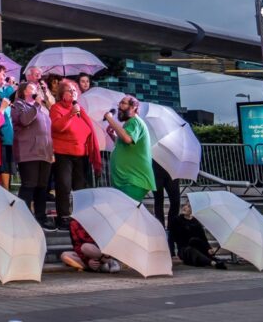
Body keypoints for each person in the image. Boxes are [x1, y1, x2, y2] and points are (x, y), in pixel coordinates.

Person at [49, 79, 103, 229]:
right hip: (63, 153)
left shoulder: (80, 110)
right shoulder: (56, 108)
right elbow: (57, 127)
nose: (73, 93)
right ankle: (64, 217)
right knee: (64, 186)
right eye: (70, 91)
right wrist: (71, 115)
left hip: (81, 154)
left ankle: (79, 217)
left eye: (75, 91)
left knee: (80, 187)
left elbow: (87, 130)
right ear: (62, 94)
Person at [12, 80, 55, 229]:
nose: (36, 89)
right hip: (28, 152)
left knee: (42, 187)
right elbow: (24, 120)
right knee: (29, 185)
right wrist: (36, 104)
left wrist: (51, 151)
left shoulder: (43, 108)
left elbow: (48, 130)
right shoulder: (19, 105)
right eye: (32, 87)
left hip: (45, 153)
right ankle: (22, 218)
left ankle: (41, 218)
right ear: (24, 91)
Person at [104, 95, 156, 203]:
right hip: (127, 180)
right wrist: (113, 136)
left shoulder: (134, 121)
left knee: (125, 216)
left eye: (123, 103)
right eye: (120, 103)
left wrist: (109, 118)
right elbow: (126, 146)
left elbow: (127, 139)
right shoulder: (129, 124)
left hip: (132, 180)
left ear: (134, 107)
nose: (119, 106)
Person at [169, 201, 226, 269]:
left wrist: (209, 248)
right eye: (185, 205)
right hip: (184, 250)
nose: (185, 207)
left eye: (189, 206)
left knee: (198, 246)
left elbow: (203, 238)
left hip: (197, 247)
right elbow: (171, 238)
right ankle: (212, 263)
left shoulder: (196, 222)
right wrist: (172, 254)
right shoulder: (177, 220)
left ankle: (213, 260)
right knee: (191, 250)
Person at [151, 160, 181, 252]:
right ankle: (161, 234)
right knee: (159, 202)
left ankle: (171, 234)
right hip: (155, 166)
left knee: (176, 201)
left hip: (171, 167)